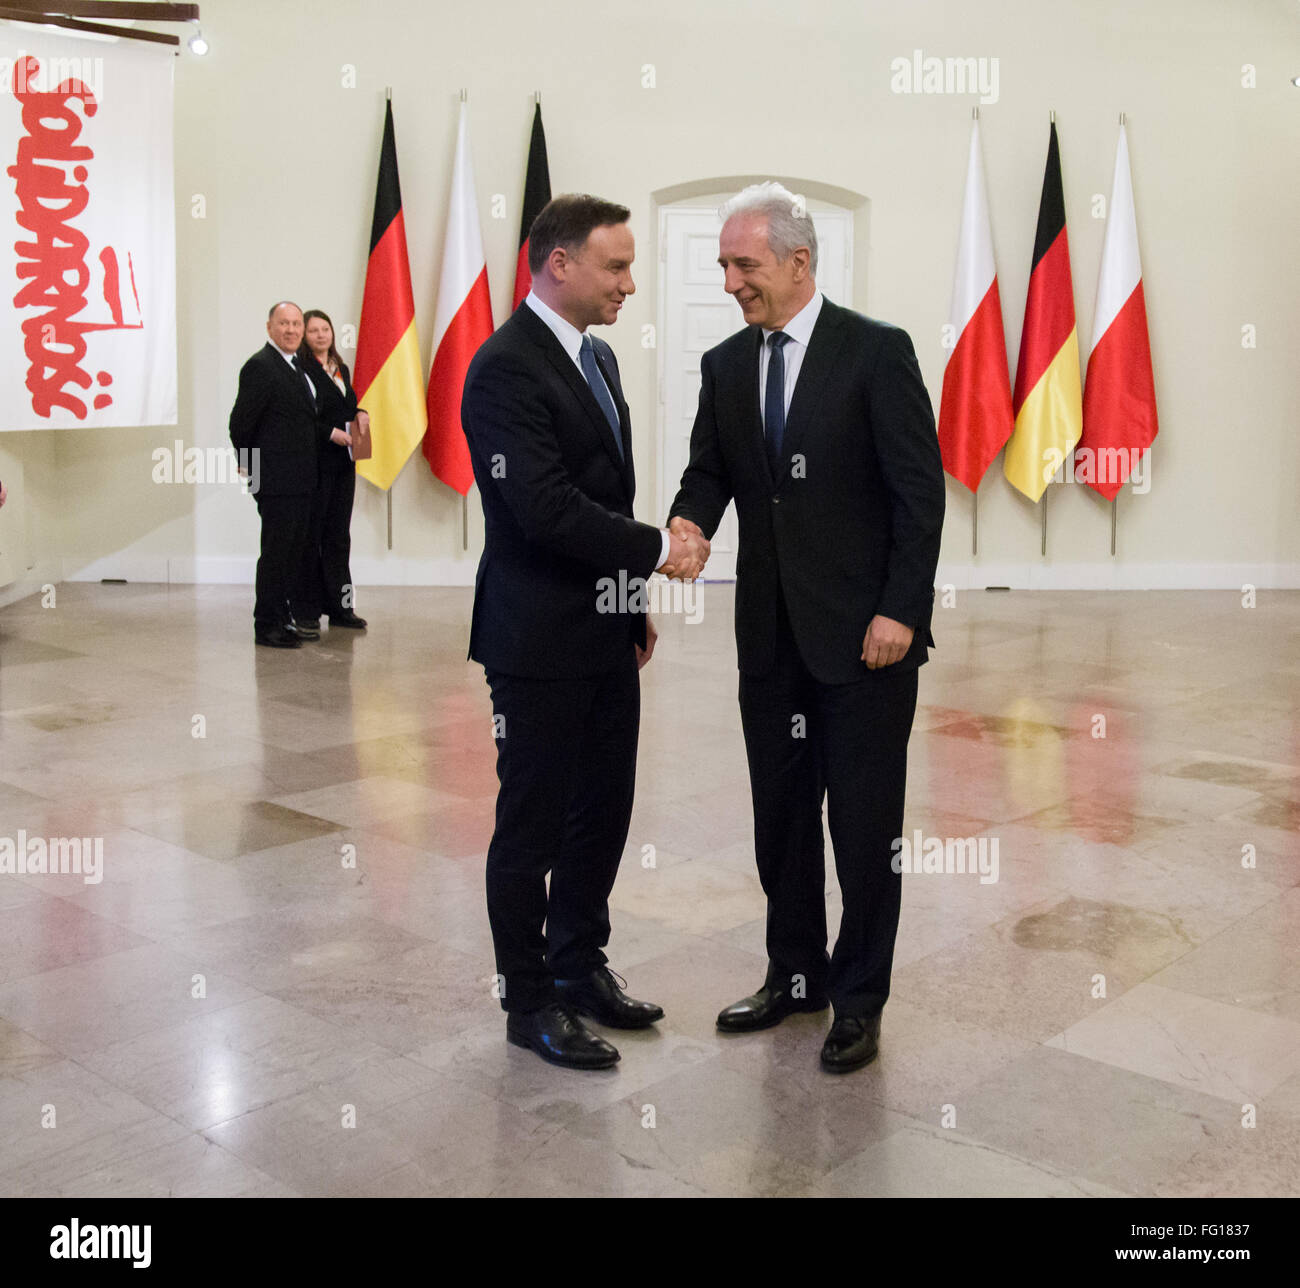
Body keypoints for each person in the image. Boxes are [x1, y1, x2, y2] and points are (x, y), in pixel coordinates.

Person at [668, 182, 945, 1073]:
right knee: (781, 822)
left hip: (867, 641)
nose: (730, 282)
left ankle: (859, 999)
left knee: (864, 831)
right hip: (772, 642)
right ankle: (795, 975)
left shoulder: (876, 353)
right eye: (722, 265)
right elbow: (709, 470)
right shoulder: (724, 365)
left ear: (799, 261)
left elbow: (918, 495)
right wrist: (687, 523)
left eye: (743, 265)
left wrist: (902, 608)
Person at [461, 193, 709, 1071]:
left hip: (603, 629)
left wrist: (629, 597)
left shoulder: (596, 357)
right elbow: (541, 509)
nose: (630, 283)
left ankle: (578, 965)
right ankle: (527, 1002)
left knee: (602, 810)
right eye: (616, 265)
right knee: (533, 824)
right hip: (535, 641)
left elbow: (602, 496)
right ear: (558, 262)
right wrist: (657, 552)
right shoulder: (504, 368)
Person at [228, 301, 324, 648]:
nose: (292, 330)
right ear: (269, 327)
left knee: (290, 554)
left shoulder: (296, 364)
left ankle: (282, 619)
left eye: (297, 324)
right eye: (284, 323)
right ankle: (267, 625)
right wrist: (253, 474)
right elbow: (240, 424)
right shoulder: (260, 366)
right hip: (275, 481)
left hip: (300, 480)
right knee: (276, 554)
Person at [297, 309, 368, 631]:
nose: (321, 335)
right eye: (313, 330)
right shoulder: (300, 371)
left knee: (339, 537)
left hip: (343, 464)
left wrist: (361, 412)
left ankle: (342, 609)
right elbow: (302, 418)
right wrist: (330, 433)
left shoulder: (341, 368)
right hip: (316, 463)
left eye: (325, 329)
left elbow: (345, 406)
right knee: (313, 536)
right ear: (304, 336)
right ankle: (308, 610)